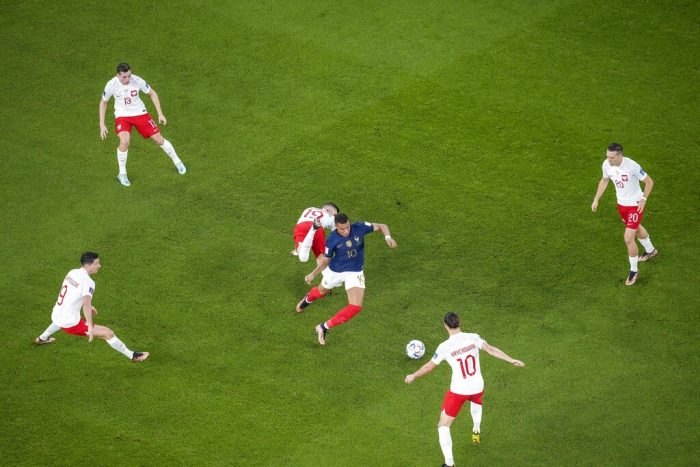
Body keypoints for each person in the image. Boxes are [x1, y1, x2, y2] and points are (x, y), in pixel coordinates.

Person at [405, 312, 524, 467]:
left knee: (443, 426)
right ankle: (476, 429)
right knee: (477, 401)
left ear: (445, 326)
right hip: (477, 385)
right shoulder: (473, 337)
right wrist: (511, 359)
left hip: (459, 391)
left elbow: (429, 367)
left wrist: (414, 375)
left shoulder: (444, 347)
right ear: (459, 323)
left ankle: (449, 463)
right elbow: (490, 349)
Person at [295, 213, 397, 345]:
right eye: (342, 229)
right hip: (335, 272)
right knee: (320, 293)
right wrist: (313, 274)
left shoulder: (359, 227)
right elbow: (326, 260)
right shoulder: (332, 239)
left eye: (348, 227)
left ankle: (323, 327)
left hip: (355, 272)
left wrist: (388, 237)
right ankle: (308, 299)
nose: (346, 230)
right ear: (336, 227)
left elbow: (382, 226)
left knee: (355, 307)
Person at [34, 252, 149, 362]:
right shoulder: (88, 282)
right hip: (71, 323)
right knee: (108, 333)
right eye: (96, 263)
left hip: (57, 312)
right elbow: (86, 304)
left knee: (61, 319)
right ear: (88, 265)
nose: (99, 266)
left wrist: (89, 306)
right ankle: (133, 356)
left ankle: (42, 338)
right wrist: (89, 324)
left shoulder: (72, 272)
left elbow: (72, 294)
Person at [99, 63, 186, 187]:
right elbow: (103, 102)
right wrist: (102, 124)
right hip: (122, 116)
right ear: (118, 75)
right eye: (124, 77)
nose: (127, 79)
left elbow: (153, 93)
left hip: (140, 113)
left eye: (129, 75)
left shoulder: (137, 80)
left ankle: (177, 161)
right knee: (124, 141)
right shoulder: (111, 84)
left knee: (159, 139)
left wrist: (160, 114)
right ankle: (122, 174)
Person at [591, 143, 657, 286]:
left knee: (628, 238)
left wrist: (643, 200)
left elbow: (649, 182)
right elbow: (604, 180)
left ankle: (634, 270)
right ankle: (651, 250)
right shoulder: (606, 165)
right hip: (622, 205)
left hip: (635, 205)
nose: (609, 160)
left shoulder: (632, 166)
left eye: (612, 157)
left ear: (620, 156)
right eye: (607, 156)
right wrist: (596, 199)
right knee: (637, 228)